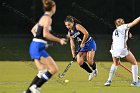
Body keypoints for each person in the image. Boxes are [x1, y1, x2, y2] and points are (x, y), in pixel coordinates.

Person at [23, 0, 67, 93]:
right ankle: (36, 87)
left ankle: (28, 92)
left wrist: (42, 43)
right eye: (55, 6)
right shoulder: (48, 19)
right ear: (53, 7)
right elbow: (45, 34)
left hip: (34, 46)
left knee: (42, 72)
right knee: (54, 69)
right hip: (37, 47)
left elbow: (33, 30)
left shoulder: (43, 17)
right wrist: (59, 40)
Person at [104, 17, 140, 86]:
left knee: (115, 64)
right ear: (123, 23)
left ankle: (109, 81)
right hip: (122, 49)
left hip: (114, 49)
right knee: (134, 63)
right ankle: (135, 82)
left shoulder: (115, 31)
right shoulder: (123, 27)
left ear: (116, 25)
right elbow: (134, 22)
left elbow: (120, 39)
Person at [64, 15, 97, 81]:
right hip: (81, 46)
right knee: (79, 61)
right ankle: (90, 72)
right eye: (66, 25)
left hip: (89, 43)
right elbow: (72, 43)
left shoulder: (77, 26)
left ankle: (94, 69)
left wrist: (83, 42)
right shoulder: (69, 32)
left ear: (72, 22)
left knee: (90, 61)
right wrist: (73, 54)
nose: (67, 27)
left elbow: (86, 33)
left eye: (69, 25)